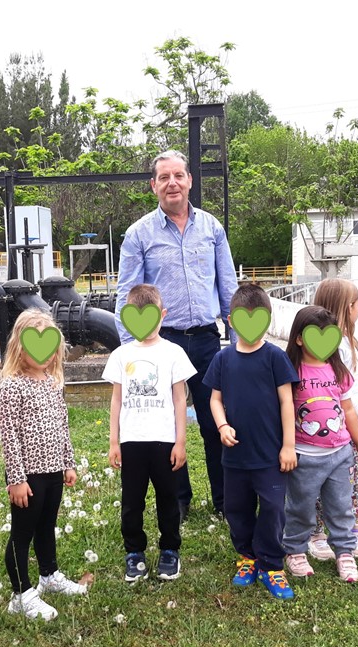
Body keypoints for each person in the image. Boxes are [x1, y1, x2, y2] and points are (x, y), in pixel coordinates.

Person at [115, 149, 238, 520]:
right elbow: (126, 294)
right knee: (167, 424)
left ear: (189, 181)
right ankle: (179, 500)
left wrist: (237, 343)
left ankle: (224, 500)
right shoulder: (138, 234)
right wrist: (132, 352)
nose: (172, 183)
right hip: (162, 344)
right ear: (154, 185)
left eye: (178, 176)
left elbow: (228, 287)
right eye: (164, 177)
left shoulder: (212, 229)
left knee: (216, 422)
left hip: (207, 340)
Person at [203, 284, 298, 600]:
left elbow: (287, 402)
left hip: (270, 456)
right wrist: (222, 425)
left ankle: (271, 564)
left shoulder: (275, 357)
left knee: (273, 509)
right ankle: (247, 556)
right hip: (235, 457)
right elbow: (215, 399)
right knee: (236, 508)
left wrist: (288, 446)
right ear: (231, 321)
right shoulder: (223, 358)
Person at [104, 284, 197, 582]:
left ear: (163, 315)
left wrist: (180, 441)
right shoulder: (121, 355)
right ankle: (134, 552)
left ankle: (170, 550)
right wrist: (114, 441)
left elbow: (180, 399)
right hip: (131, 442)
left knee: (168, 498)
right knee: (132, 501)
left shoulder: (174, 353)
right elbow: (116, 400)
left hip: (165, 442)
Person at [0, 309, 87, 622]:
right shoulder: (12, 387)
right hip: (28, 475)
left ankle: (49, 575)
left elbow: (62, 426)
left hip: (53, 471)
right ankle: (21, 594)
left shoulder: (52, 382)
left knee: (47, 526)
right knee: (22, 534)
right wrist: (16, 479)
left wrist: (68, 463)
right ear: (20, 347)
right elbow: (9, 436)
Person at [282, 305, 358, 584]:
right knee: (300, 507)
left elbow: (348, 410)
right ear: (300, 339)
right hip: (304, 456)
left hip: (340, 454)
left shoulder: (338, 370)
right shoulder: (290, 371)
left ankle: (344, 552)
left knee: (341, 506)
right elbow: (284, 409)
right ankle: (295, 550)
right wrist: (287, 447)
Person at [308, 278, 358, 561]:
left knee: (352, 480)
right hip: (331, 427)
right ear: (346, 308)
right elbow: (342, 392)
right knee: (317, 483)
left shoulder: (350, 341)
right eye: (356, 304)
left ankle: (352, 529)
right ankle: (316, 533)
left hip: (352, 425)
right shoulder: (330, 348)